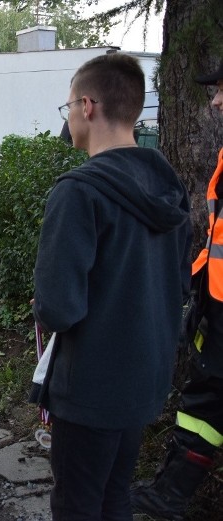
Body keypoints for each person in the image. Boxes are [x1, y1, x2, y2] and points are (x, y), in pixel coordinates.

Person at [33, 52, 192, 520]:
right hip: (144, 379)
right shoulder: (169, 187)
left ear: (87, 106)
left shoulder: (77, 191)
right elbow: (180, 283)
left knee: (78, 504)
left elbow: (58, 309)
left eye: (67, 108)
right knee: (115, 497)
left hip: (90, 387)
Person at [131, 61, 223, 520]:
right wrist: (200, 289)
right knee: (204, 403)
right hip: (218, 304)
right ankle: (171, 493)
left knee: (205, 402)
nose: (216, 100)